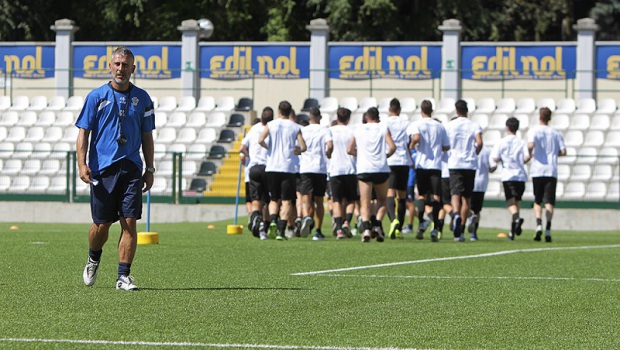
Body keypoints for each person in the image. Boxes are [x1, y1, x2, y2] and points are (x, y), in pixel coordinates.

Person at [77, 46, 155, 291]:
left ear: (133, 68)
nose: (121, 69)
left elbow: (147, 136)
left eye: (126, 65)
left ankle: (123, 276)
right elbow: (83, 133)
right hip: (103, 169)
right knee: (101, 226)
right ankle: (93, 257)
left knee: (129, 222)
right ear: (110, 66)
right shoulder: (96, 97)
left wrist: (150, 168)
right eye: (117, 64)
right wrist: (82, 164)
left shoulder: (143, 98)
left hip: (131, 167)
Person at [259, 101, 306, 240]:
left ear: (279, 111)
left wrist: (269, 148)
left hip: (272, 166)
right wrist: (297, 151)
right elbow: (303, 147)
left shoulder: (271, 124)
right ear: (290, 111)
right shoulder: (295, 127)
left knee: (274, 198)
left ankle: (273, 220)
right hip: (288, 167)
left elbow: (260, 140)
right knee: (286, 201)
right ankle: (281, 230)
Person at [348, 107, 396, 243]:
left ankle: (366, 228)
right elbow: (392, 147)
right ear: (378, 117)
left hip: (364, 168)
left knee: (365, 202)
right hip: (380, 168)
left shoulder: (358, 129)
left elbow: (349, 149)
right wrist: (386, 156)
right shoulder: (383, 128)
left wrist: (361, 154)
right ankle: (377, 224)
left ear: (366, 117)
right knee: (382, 200)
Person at [408, 100, 450, 242]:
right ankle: (436, 228)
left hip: (421, 165)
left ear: (421, 110)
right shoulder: (440, 126)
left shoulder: (416, 124)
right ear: (432, 110)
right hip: (435, 166)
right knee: (436, 197)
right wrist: (436, 146)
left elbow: (416, 137)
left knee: (422, 196)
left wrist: (413, 145)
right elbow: (446, 146)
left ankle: (421, 224)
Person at [445, 99, 483, 241]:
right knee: (466, 198)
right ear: (467, 110)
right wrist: (475, 153)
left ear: (456, 110)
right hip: (469, 164)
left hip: (455, 162)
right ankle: (461, 228)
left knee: (455, 193)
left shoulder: (450, 125)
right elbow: (479, 142)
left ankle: (455, 214)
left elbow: (446, 144)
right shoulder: (474, 125)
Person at [527, 107, 566, 242]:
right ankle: (548, 228)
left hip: (538, 170)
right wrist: (553, 153)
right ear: (550, 118)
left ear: (540, 117)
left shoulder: (534, 131)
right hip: (551, 170)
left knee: (537, 200)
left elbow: (531, 145)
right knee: (549, 201)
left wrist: (530, 153)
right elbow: (563, 151)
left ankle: (539, 225)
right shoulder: (556, 133)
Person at [491, 117, 530, 240]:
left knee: (510, 203)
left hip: (508, 175)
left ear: (507, 127)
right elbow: (527, 157)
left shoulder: (502, 142)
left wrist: (504, 158)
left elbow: (495, 158)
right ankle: (512, 232)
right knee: (517, 203)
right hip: (520, 175)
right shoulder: (522, 142)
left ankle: (517, 219)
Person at [299, 107, 333, 240]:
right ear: (320, 117)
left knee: (306, 199)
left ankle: (307, 216)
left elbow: (298, 147)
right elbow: (329, 145)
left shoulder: (303, 130)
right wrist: (328, 154)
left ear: (309, 118)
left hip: (306, 168)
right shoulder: (324, 130)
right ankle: (318, 231)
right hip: (320, 168)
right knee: (319, 200)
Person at [240, 108, 273, 240]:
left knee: (255, 200)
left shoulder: (253, 128)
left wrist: (250, 157)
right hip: (267, 167)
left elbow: (241, 148)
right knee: (267, 201)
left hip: (253, 168)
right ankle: (263, 228)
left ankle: (255, 218)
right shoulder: (272, 129)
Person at [384, 98, 414, 240]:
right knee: (402, 195)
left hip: (390, 160)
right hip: (404, 160)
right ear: (400, 110)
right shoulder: (406, 123)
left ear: (390, 110)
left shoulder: (385, 122)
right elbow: (411, 139)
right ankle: (399, 228)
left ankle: (392, 221)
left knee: (390, 192)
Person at [328, 108, 359, 240]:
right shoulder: (353, 131)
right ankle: (347, 221)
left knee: (336, 201)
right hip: (350, 169)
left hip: (335, 169)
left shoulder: (330, 130)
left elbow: (328, 147)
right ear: (348, 118)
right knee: (351, 199)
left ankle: (339, 228)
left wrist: (328, 155)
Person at [466, 145, 495, 241]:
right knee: (477, 210)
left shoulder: (468, 147)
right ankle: (473, 234)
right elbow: (493, 167)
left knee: (464, 205)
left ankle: (469, 217)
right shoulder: (487, 150)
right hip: (482, 182)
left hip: (469, 180)